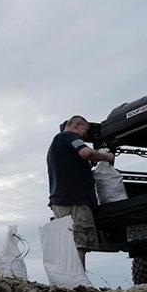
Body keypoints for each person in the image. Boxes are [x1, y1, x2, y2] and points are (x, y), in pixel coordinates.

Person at [46, 115, 115, 268]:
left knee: (69, 242)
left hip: (61, 200)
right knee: (79, 241)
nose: (86, 135)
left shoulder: (57, 144)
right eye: (86, 130)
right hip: (74, 201)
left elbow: (79, 162)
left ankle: (71, 279)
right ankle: (78, 281)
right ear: (77, 125)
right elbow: (86, 153)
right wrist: (107, 157)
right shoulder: (69, 136)